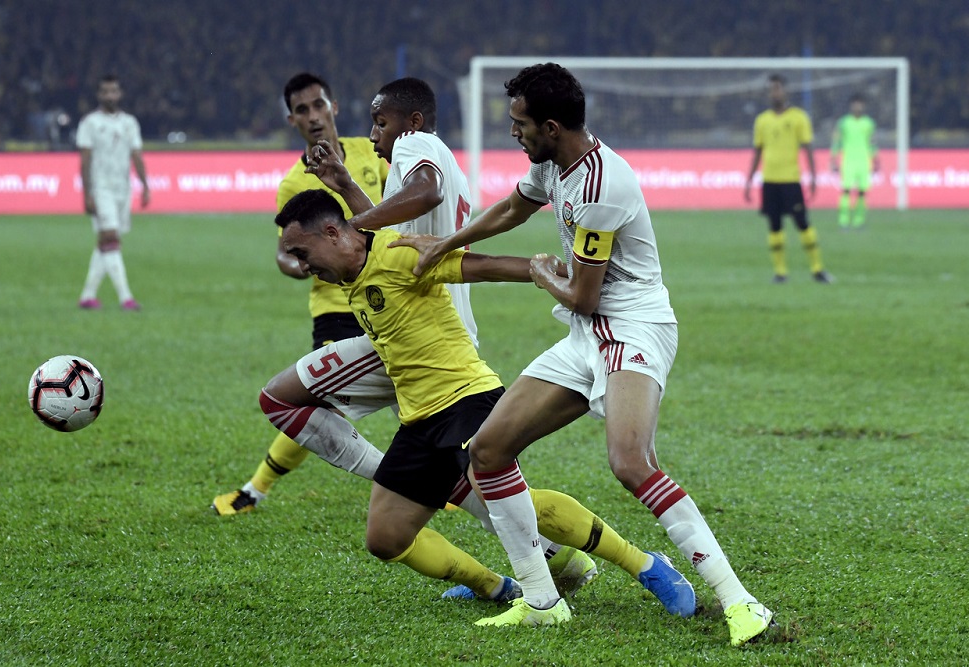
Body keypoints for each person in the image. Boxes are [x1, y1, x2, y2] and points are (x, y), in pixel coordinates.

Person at [393, 63, 772, 645]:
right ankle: (543, 601)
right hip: (587, 331)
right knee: (488, 452)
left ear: (550, 125)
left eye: (520, 124)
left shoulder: (602, 187)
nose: (513, 133)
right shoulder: (552, 162)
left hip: (633, 327)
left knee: (630, 461)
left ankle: (740, 600)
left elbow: (582, 291)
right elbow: (514, 209)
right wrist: (447, 241)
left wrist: (542, 271)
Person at [270, 187, 695, 623]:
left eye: (303, 253)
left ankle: (644, 565)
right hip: (419, 420)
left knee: (507, 497)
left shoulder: (397, 255)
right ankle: (497, 588)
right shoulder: (350, 276)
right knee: (385, 538)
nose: (302, 266)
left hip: (467, 399)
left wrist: (560, 275)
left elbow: (486, 267)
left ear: (332, 233)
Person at [212, 72, 389, 516]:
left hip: (390, 291)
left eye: (318, 105)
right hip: (335, 306)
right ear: (291, 119)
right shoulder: (295, 182)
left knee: (421, 388)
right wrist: (305, 266)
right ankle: (255, 490)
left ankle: (442, 481)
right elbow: (285, 253)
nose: (313, 116)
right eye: (302, 110)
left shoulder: (373, 151)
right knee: (318, 399)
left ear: (334, 107)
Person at [744, 73, 832, 284]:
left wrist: (813, 177)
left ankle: (817, 269)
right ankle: (780, 272)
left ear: (785, 90)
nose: (774, 92)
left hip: (791, 180)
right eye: (771, 89)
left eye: (777, 88)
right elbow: (758, 151)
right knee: (774, 226)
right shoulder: (762, 120)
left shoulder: (798, 118)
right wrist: (749, 180)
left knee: (803, 223)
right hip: (770, 181)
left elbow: (808, 148)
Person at [76, 74, 149, 310]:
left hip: (122, 189)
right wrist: (87, 193)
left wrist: (145, 185)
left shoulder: (129, 123)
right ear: (99, 95)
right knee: (110, 237)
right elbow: (85, 160)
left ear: (120, 94)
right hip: (101, 187)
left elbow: (137, 155)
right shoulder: (90, 123)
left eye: (114, 91)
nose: (110, 95)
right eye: (105, 91)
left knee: (106, 243)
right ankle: (125, 297)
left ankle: (87, 295)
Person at [830, 94, 879, 229]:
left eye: (860, 104)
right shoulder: (844, 122)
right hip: (848, 161)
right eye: (855, 104)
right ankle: (843, 220)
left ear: (864, 106)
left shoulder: (869, 123)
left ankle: (859, 221)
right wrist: (833, 160)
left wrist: (876, 160)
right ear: (851, 106)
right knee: (846, 191)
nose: (858, 107)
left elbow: (872, 143)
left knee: (862, 192)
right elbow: (837, 142)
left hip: (864, 161)